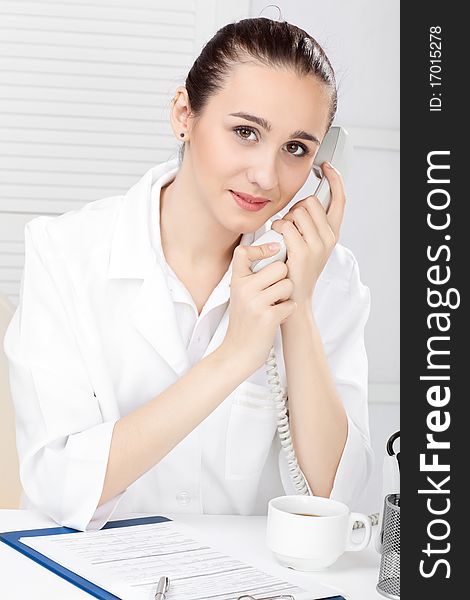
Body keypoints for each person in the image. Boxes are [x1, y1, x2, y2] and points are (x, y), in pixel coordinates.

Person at [4, 17, 373, 532]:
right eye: (245, 132)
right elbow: (59, 484)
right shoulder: (64, 253)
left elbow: (339, 500)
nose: (266, 176)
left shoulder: (328, 278)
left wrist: (300, 308)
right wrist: (234, 357)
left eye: (296, 149)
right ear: (184, 114)